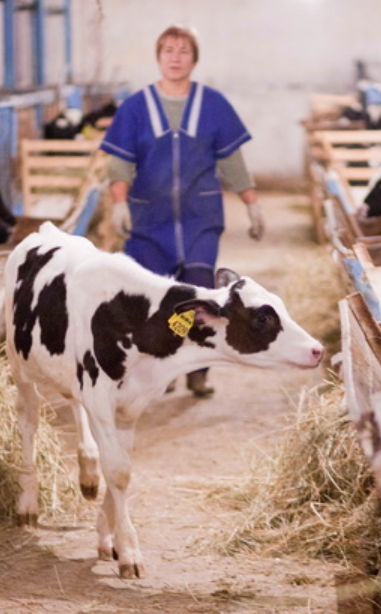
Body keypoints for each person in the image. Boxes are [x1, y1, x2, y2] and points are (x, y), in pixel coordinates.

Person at [100, 24, 264, 398]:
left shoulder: (214, 105)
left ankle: (198, 371)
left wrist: (251, 204)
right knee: (155, 297)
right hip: (148, 220)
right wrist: (120, 202)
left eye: (183, 51)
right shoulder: (135, 107)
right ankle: (162, 367)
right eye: (168, 50)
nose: (175, 57)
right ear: (158, 57)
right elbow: (120, 164)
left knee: (200, 296)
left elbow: (233, 162)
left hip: (199, 219)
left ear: (194, 59)